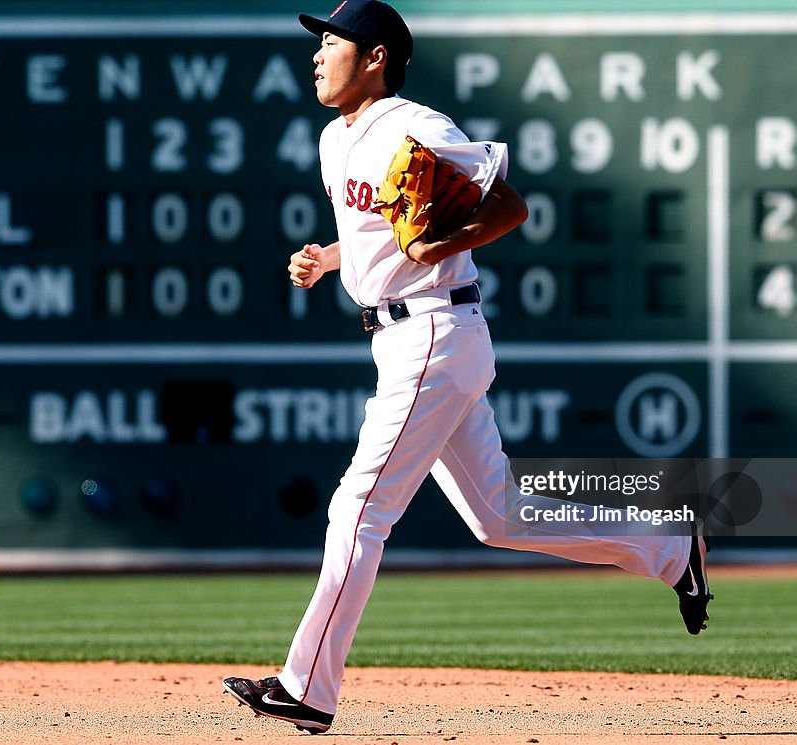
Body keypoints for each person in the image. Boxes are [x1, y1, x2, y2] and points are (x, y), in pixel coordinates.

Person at [223, 0, 712, 735]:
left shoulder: (420, 127)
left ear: (377, 55)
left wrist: (440, 245)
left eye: (332, 43)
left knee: (359, 509)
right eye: (317, 45)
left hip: (435, 332)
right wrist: (328, 258)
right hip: (410, 336)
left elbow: (510, 207)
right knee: (498, 515)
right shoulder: (333, 138)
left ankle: (307, 687)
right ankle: (672, 549)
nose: (318, 57)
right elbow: (378, 233)